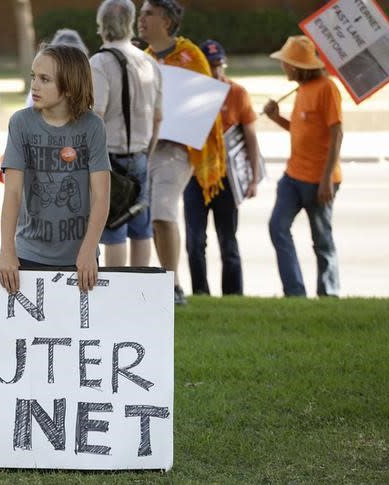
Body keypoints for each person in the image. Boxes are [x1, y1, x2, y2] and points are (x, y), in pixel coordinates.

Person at [0, 44, 110, 294]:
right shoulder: (20, 123)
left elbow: (102, 197)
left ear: (69, 86)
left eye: (45, 79)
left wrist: (89, 250)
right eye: (33, 77)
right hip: (29, 254)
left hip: (81, 258)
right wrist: (7, 251)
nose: (34, 85)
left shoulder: (93, 127)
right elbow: (13, 193)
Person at [137, 0, 226, 301]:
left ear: (166, 21)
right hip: (147, 148)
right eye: (140, 14)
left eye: (148, 14)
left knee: (162, 211)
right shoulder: (144, 59)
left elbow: (204, 107)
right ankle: (162, 281)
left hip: (178, 149)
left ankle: (172, 285)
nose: (141, 19)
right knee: (150, 218)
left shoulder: (191, 56)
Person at [176, 39, 261, 296]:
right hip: (195, 177)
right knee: (195, 242)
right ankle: (201, 292)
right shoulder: (190, 95)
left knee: (229, 242)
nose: (215, 72)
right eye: (210, 66)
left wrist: (254, 178)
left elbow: (250, 137)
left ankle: (233, 295)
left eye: (218, 65)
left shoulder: (237, 93)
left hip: (226, 178)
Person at [264, 36, 343, 297]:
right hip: (293, 176)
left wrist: (326, 179)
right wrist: (276, 118)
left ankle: (328, 293)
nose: (283, 67)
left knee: (321, 240)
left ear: (298, 67)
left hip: (318, 179)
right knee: (277, 226)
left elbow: (336, 134)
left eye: (286, 63)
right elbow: (300, 130)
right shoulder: (301, 90)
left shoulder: (327, 89)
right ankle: (294, 292)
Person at [90, 0, 162, 268]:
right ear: (130, 24)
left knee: (113, 231)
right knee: (141, 228)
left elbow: (95, 117)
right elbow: (158, 116)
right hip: (141, 155)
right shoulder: (148, 62)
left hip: (109, 158)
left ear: (102, 26)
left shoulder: (99, 62)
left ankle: (116, 295)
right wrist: (147, 152)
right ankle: (140, 295)